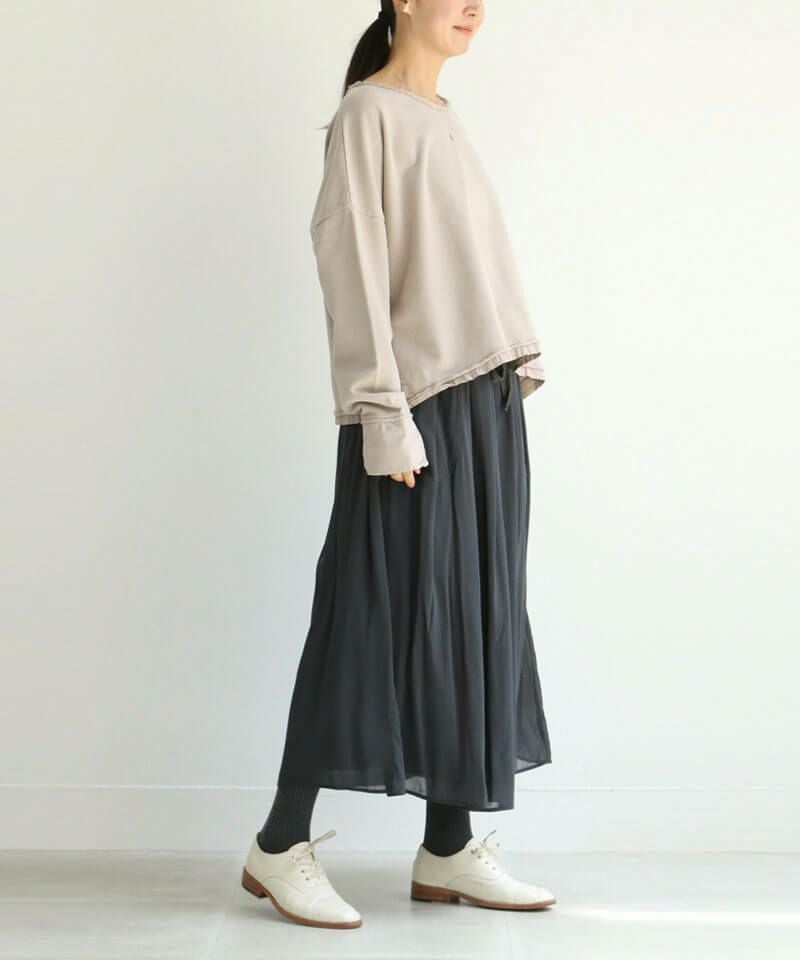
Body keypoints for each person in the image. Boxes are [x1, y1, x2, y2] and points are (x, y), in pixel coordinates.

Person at [240, 0, 556, 929]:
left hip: (484, 402)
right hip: (417, 407)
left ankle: (448, 846)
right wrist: (382, 413)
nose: (474, 8)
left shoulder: (441, 117)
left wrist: (512, 369)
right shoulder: (368, 114)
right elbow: (352, 262)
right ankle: (278, 844)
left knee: (471, 617)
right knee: (367, 616)